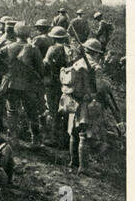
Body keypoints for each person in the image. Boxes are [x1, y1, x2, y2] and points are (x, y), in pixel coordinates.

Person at [0, 22, 44, 148]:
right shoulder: (33, 49)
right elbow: (41, 69)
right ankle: (35, 140)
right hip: (28, 85)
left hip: (10, 84)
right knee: (32, 113)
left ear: (15, 32)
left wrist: (5, 70)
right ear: (28, 33)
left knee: (12, 110)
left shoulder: (9, 47)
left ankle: (13, 138)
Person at [59, 39, 104, 175]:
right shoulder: (95, 66)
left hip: (74, 102)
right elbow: (100, 88)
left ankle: (74, 162)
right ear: (96, 53)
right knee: (85, 134)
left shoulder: (77, 62)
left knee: (74, 132)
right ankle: (83, 168)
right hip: (86, 103)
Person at [43, 26, 70, 147]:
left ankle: (54, 139)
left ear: (53, 38)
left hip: (53, 83)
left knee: (53, 111)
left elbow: (46, 64)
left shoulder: (52, 49)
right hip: (65, 83)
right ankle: (65, 138)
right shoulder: (69, 49)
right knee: (64, 110)